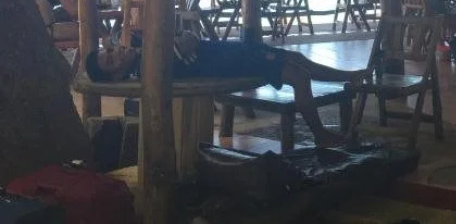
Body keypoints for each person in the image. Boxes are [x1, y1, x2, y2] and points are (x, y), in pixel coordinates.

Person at [86, 32, 366, 147]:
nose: (115, 52)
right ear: (117, 75)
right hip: (230, 64)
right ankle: (319, 134)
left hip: (228, 54)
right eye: (111, 60)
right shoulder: (146, 65)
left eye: (110, 50)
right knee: (298, 74)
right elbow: (185, 41)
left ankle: (349, 76)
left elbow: (187, 38)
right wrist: (184, 40)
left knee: (296, 60)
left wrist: (185, 39)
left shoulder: (142, 51)